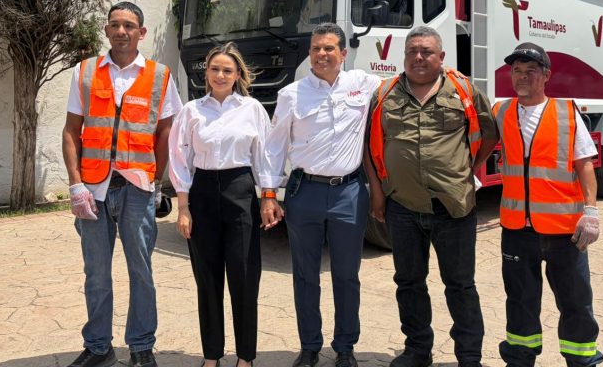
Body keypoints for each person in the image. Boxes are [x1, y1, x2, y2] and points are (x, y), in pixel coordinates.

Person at [364, 26, 499, 367]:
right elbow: (369, 144)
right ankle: (417, 350)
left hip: (453, 206)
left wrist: (469, 169)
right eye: (412, 51)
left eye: (426, 51)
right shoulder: (385, 93)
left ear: (441, 57)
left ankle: (469, 356)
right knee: (409, 282)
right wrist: (377, 193)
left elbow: (489, 134)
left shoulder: (463, 90)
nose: (418, 57)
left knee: (460, 285)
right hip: (402, 205)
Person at [62, 1, 182, 367]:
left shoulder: (160, 75)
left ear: (141, 32)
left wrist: (156, 182)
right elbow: (71, 130)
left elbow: (166, 133)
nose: (121, 31)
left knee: (141, 271)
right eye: (115, 24)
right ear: (106, 30)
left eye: (129, 25)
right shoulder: (85, 71)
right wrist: (75, 185)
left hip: (137, 189)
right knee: (96, 273)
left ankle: (141, 346)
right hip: (93, 190)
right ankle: (99, 347)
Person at [259, 23, 380, 367]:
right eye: (315, 49)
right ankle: (309, 346)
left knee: (347, 275)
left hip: (349, 193)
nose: (321, 54)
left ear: (344, 53)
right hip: (305, 192)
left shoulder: (364, 84)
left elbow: (404, 84)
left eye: (329, 48)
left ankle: (345, 347)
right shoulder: (291, 94)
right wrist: (268, 194)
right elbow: (273, 147)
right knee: (305, 275)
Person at [494, 42, 603, 367]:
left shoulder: (566, 113)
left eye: (531, 71)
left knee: (575, 302)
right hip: (517, 230)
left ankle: (582, 361)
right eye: (517, 70)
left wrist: (591, 212)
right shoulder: (501, 112)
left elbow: (584, 164)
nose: (522, 76)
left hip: (564, 232)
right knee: (520, 302)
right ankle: (519, 359)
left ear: (546, 76)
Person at [168, 43, 270, 367]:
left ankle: (245, 358)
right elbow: (180, 159)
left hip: (240, 190)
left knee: (244, 277)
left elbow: (264, 156)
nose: (220, 75)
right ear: (206, 73)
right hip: (201, 194)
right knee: (207, 278)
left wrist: (268, 198)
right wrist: (183, 208)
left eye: (227, 70)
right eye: (215, 69)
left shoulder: (252, 109)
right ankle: (211, 356)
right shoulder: (191, 111)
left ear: (237, 74)